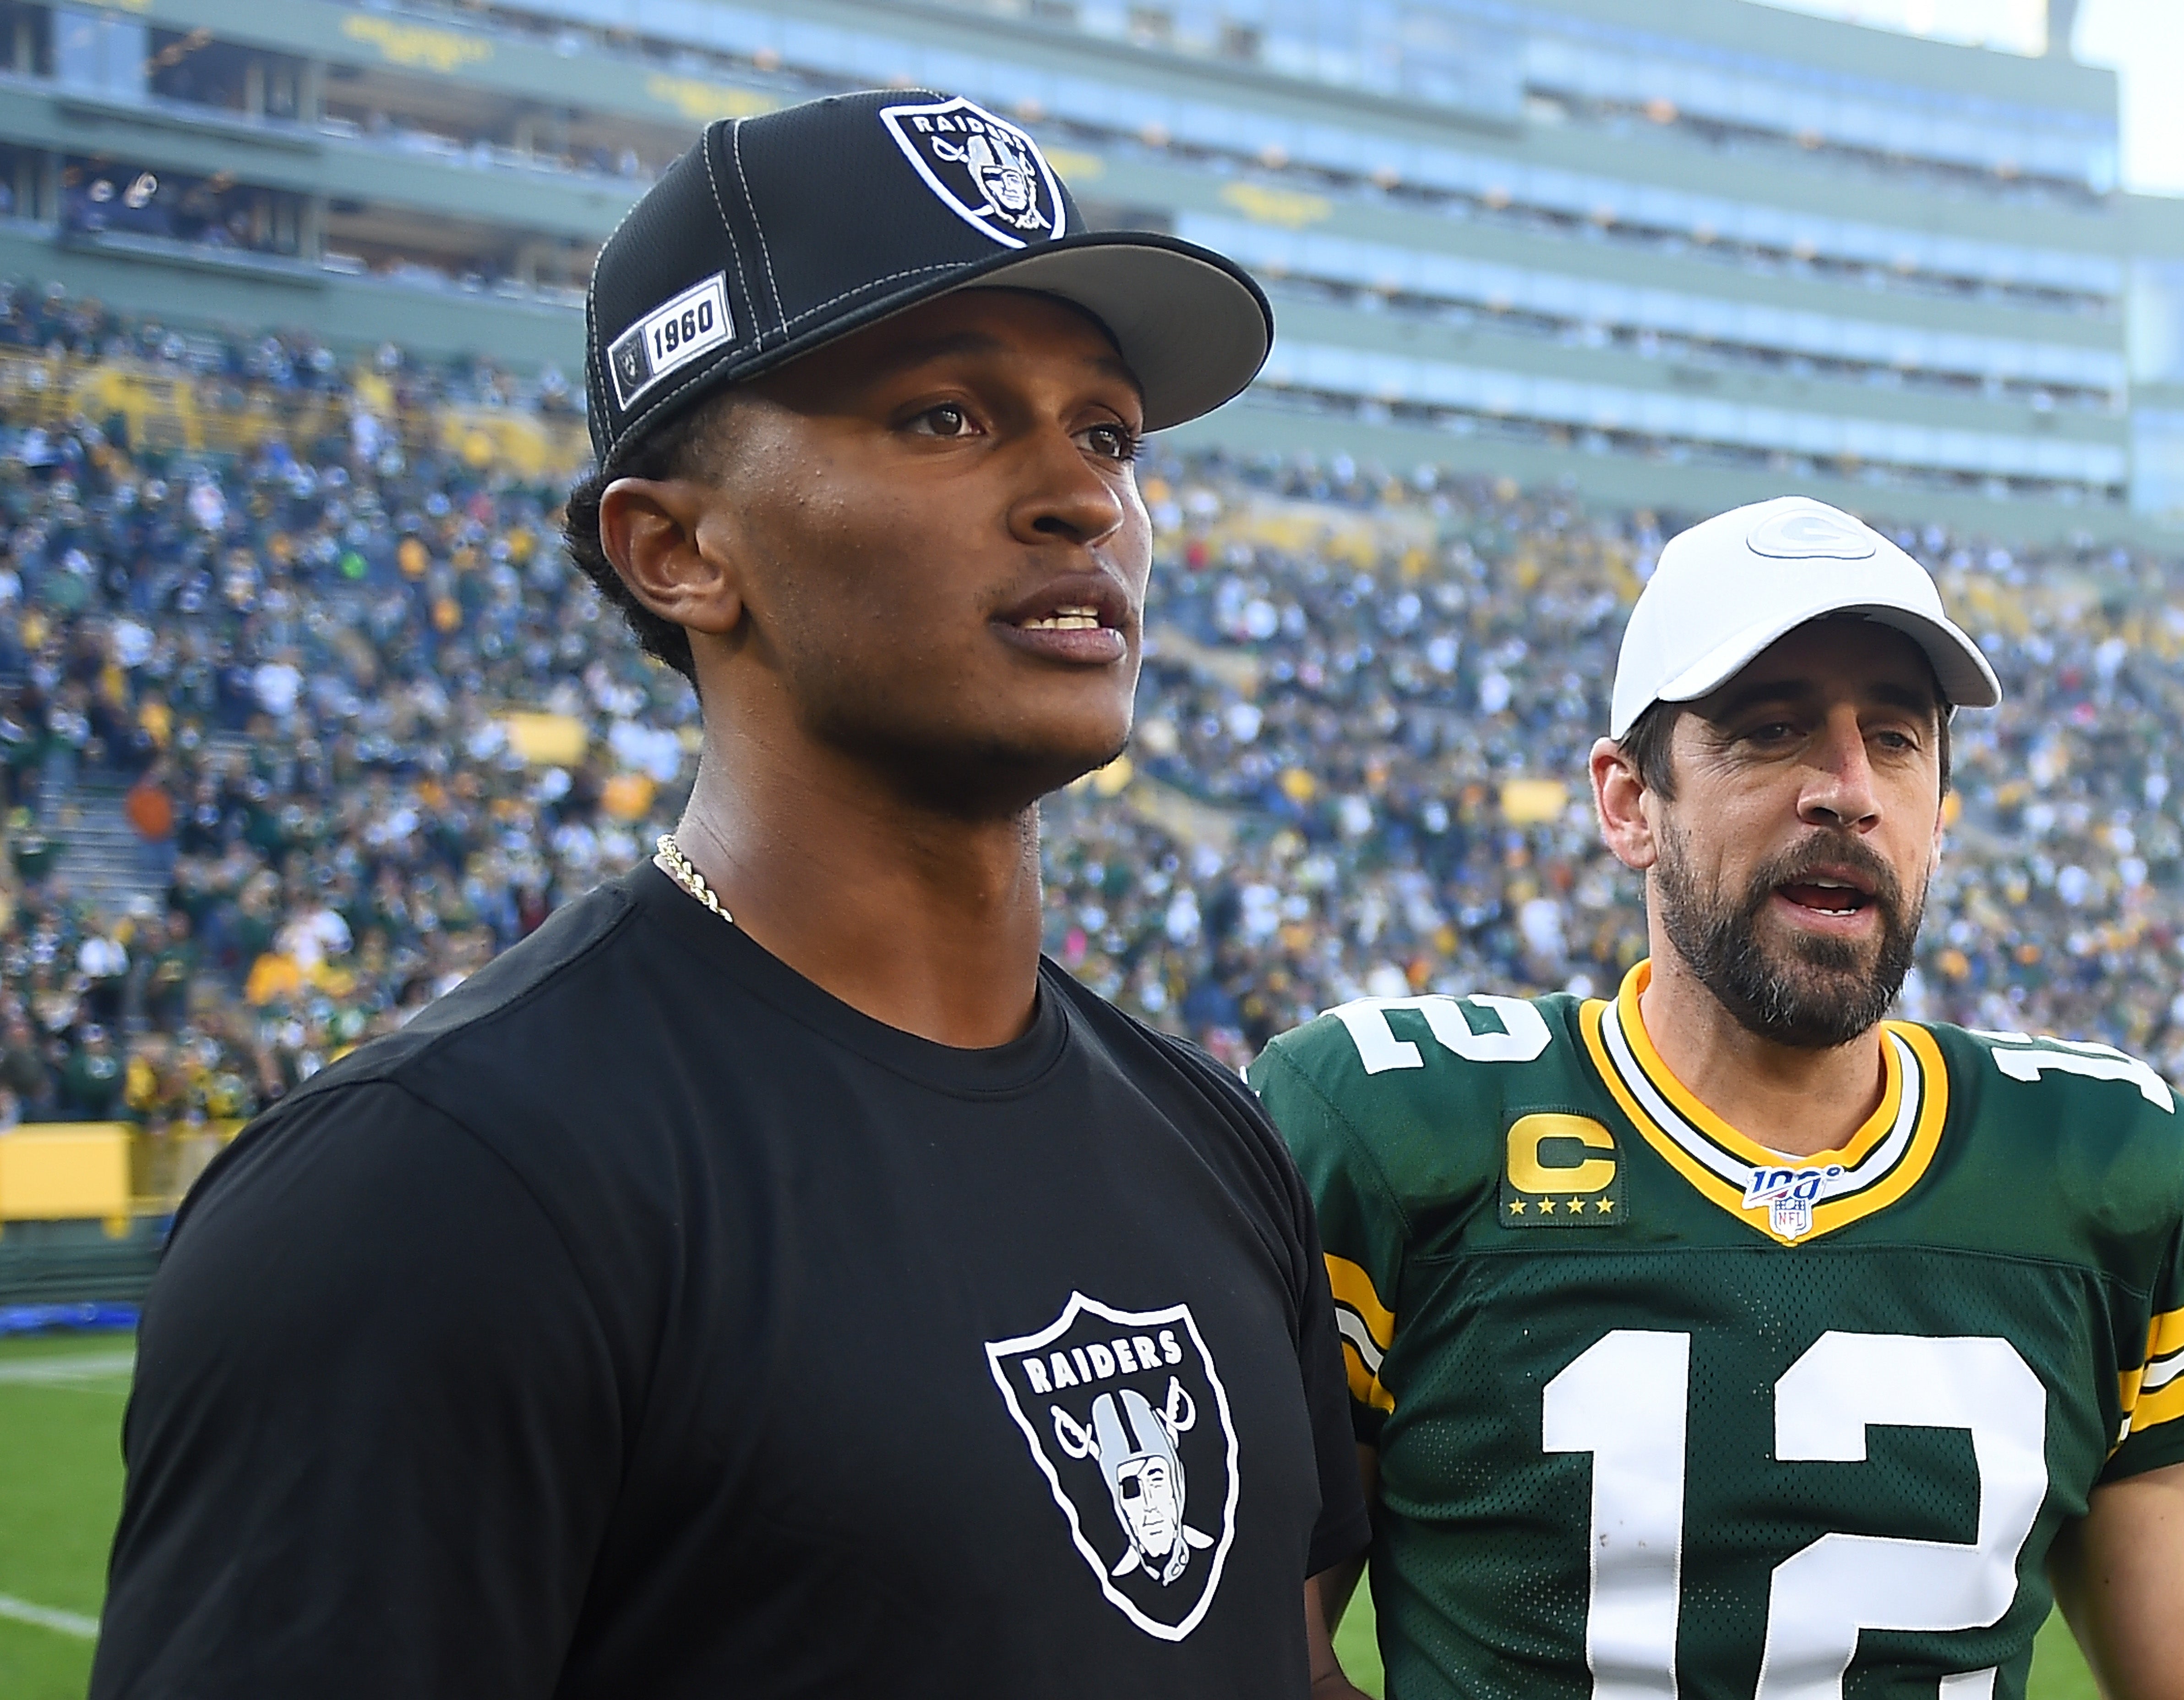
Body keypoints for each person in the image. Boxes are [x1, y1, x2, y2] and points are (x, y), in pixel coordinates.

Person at [94, 89, 1366, 1699]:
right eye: (945, 418)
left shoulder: (1209, 1132)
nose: (1084, 497)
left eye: (1105, 431)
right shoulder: (429, 1191)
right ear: (676, 551)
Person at [1259, 497, 2184, 1699]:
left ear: (1939, 819)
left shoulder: (2107, 1160)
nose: (1848, 788)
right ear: (1627, 802)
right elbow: (1259, 1662)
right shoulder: (1391, 1125)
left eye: (1899, 737)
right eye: (1769, 729)